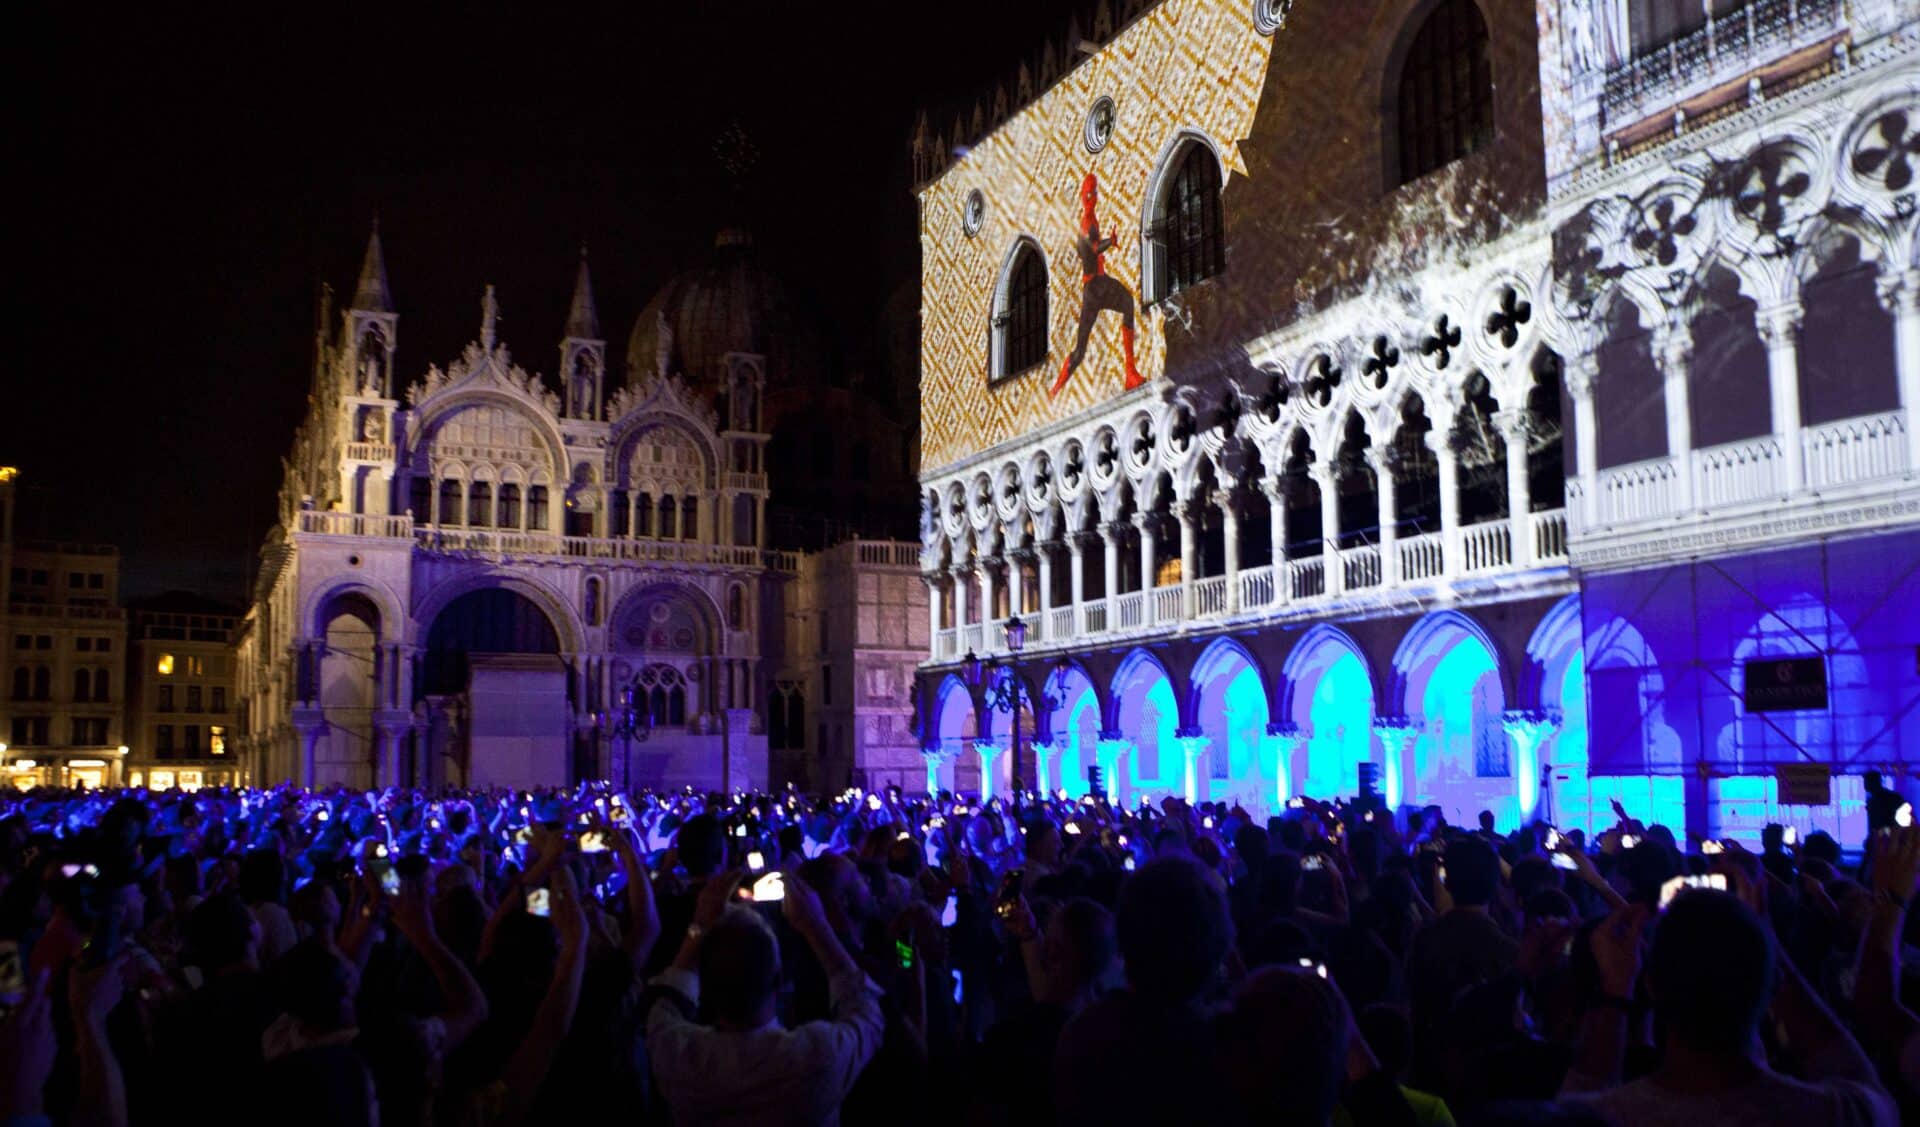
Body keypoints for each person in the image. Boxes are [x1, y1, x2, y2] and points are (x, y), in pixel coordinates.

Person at [1564, 893, 1897, 1125]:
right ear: (1772, 987)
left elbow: (1575, 1100)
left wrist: (1615, 989)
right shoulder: (1836, 1115)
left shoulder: (1602, 1117)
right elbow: (1858, 1077)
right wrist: (1771, 945)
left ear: (1650, 985)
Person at [644, 870, 885, 1126]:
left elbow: (668, 999)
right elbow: (865, 1009)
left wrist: (700, 925)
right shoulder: (819, 1056)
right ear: (779, 980)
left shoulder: (677, 1056)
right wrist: (816, 926)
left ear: (705, 987)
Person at [1049, 172, 1144, 398]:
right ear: (1084, 197)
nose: (1092, 198)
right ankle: (1055, 390)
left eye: (1094, 193)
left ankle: (1130, 373)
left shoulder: (1090, 220)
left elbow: (1084, 250)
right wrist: (1109, 242)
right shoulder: (1087, 222)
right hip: (1095, 286)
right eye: (1088, 194)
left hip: (1095, 286)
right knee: (1126, 304)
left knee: (1126, 304)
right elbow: (1089, 251)